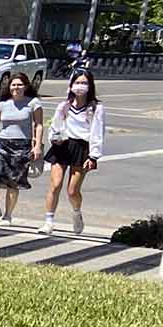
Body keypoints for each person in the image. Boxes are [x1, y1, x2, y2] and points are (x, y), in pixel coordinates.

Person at [41, 70, 104, 236]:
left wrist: (93, 155)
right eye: (77, 83)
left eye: (84, 83)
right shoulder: (64, 106)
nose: (80, 86)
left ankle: (76, 212)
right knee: (55, 185)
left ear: (90, 86)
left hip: (81, 148)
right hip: (62, 146)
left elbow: (97, 132)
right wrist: (54, 138)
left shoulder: (96, 108)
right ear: (71, 85)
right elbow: (55, 126)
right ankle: (48, 221)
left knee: (72, 190)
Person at [0, 71, 43, 227]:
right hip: (2, 144)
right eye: (14, 84)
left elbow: (38, 125)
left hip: (22, 146)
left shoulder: (33, 103)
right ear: (9, 86)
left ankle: (7, 215)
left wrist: (37, 145)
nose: (16, 87)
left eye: (20, 84)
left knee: (13, 182)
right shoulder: (2, 104)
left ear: (26, 86)